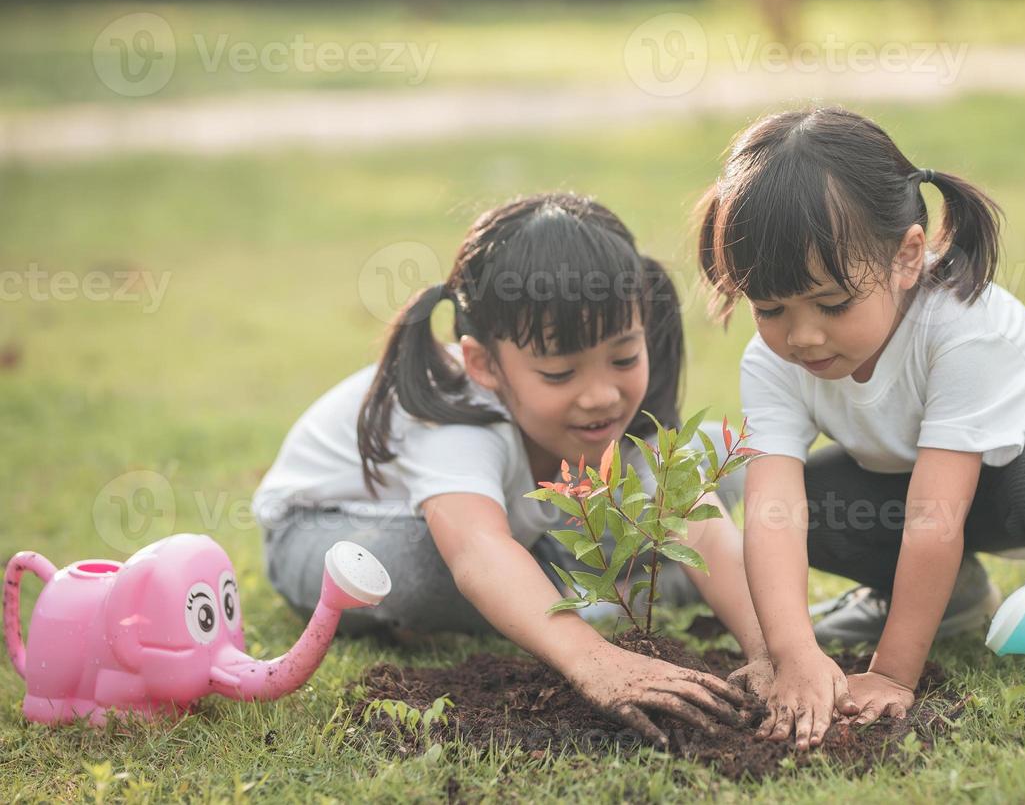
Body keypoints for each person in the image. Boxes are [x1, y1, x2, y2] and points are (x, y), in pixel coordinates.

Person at [696, 107, 1025, 750]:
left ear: (907, 257)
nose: (803, 335)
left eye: (832, 303)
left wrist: (892, 674)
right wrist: (793, 652)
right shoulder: (773, 361)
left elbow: (937, 518)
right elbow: (773, 509)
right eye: (771, 309)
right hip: (917, 488)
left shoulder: (964, 325)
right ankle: (954, 599)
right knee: (804, 508)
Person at [251, 193, 771, 746]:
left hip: (524, 536)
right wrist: (596, 661)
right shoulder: (458, 417)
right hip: (331, 535)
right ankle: (591, 604)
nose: (601, 396)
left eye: (623, 359)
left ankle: (593, 589)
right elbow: (476, 551)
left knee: (718, 463)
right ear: (483, 364)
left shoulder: (601, 406)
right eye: (558, 373)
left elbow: (698, 522)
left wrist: (774, 651)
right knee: (428, 568)